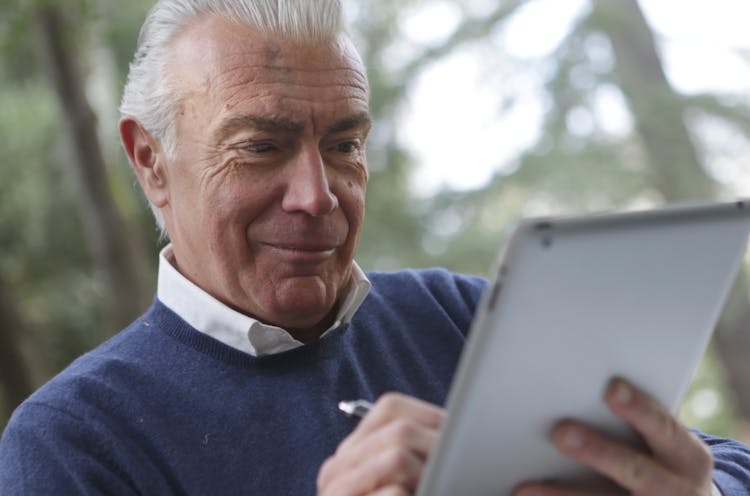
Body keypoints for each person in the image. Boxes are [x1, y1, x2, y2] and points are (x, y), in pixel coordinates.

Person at [1, 0, 749, 494]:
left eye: (344, 143)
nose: (317, 194)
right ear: (151, 161)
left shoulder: (462, 317)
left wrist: (697, 488)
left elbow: (724, 462)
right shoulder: (74, 440)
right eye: (262, 146)